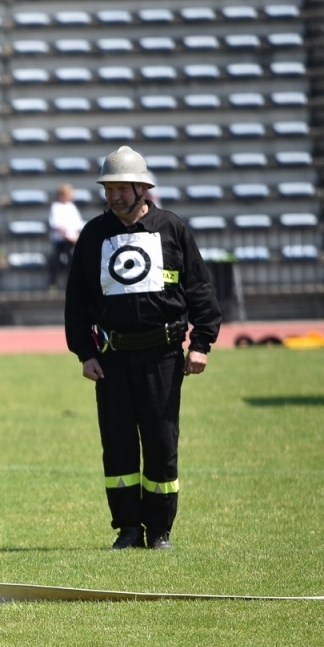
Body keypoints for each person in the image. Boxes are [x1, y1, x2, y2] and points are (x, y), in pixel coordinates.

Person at [64, 146, 221, 551]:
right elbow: (77, 300)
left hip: (164, 357)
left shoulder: (173, 228)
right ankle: (128, 529)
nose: (114, 196)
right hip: (112, 360)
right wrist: (86, 353)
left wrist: (201, 343)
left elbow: (200, 288)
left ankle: (160, 530)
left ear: (142, 188)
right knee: (116, 445)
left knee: (161, 443)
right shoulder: (93, 235)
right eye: (109, 189)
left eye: (122, 188)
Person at [47, 183, 83, 289]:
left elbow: (78, 224)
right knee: (56, 261)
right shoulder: (56, 207)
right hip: (60, 240)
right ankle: (53, 284)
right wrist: (66, 235)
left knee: (72, 262)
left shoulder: (72, 207)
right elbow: (55, 224)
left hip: (72, 239)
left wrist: (75, 236)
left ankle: (73, 283)